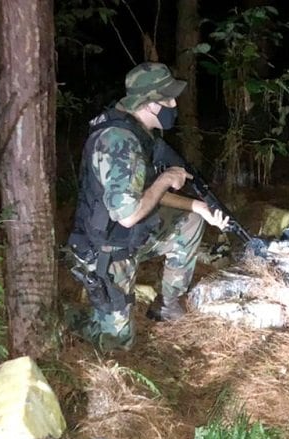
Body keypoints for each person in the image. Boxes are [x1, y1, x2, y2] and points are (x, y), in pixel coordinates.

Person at [66, 62, 229, 351]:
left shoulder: (136, 132)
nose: (174, 104)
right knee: (117, 344)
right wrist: (166, 178)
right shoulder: (120, 141)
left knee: (190, 220)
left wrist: (196, 205)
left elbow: (142, 194)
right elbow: (128, 214)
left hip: (123, 236)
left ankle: (168, 304)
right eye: (168, 99)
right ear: (150, 103)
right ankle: (68, 318)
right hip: (105, 250)